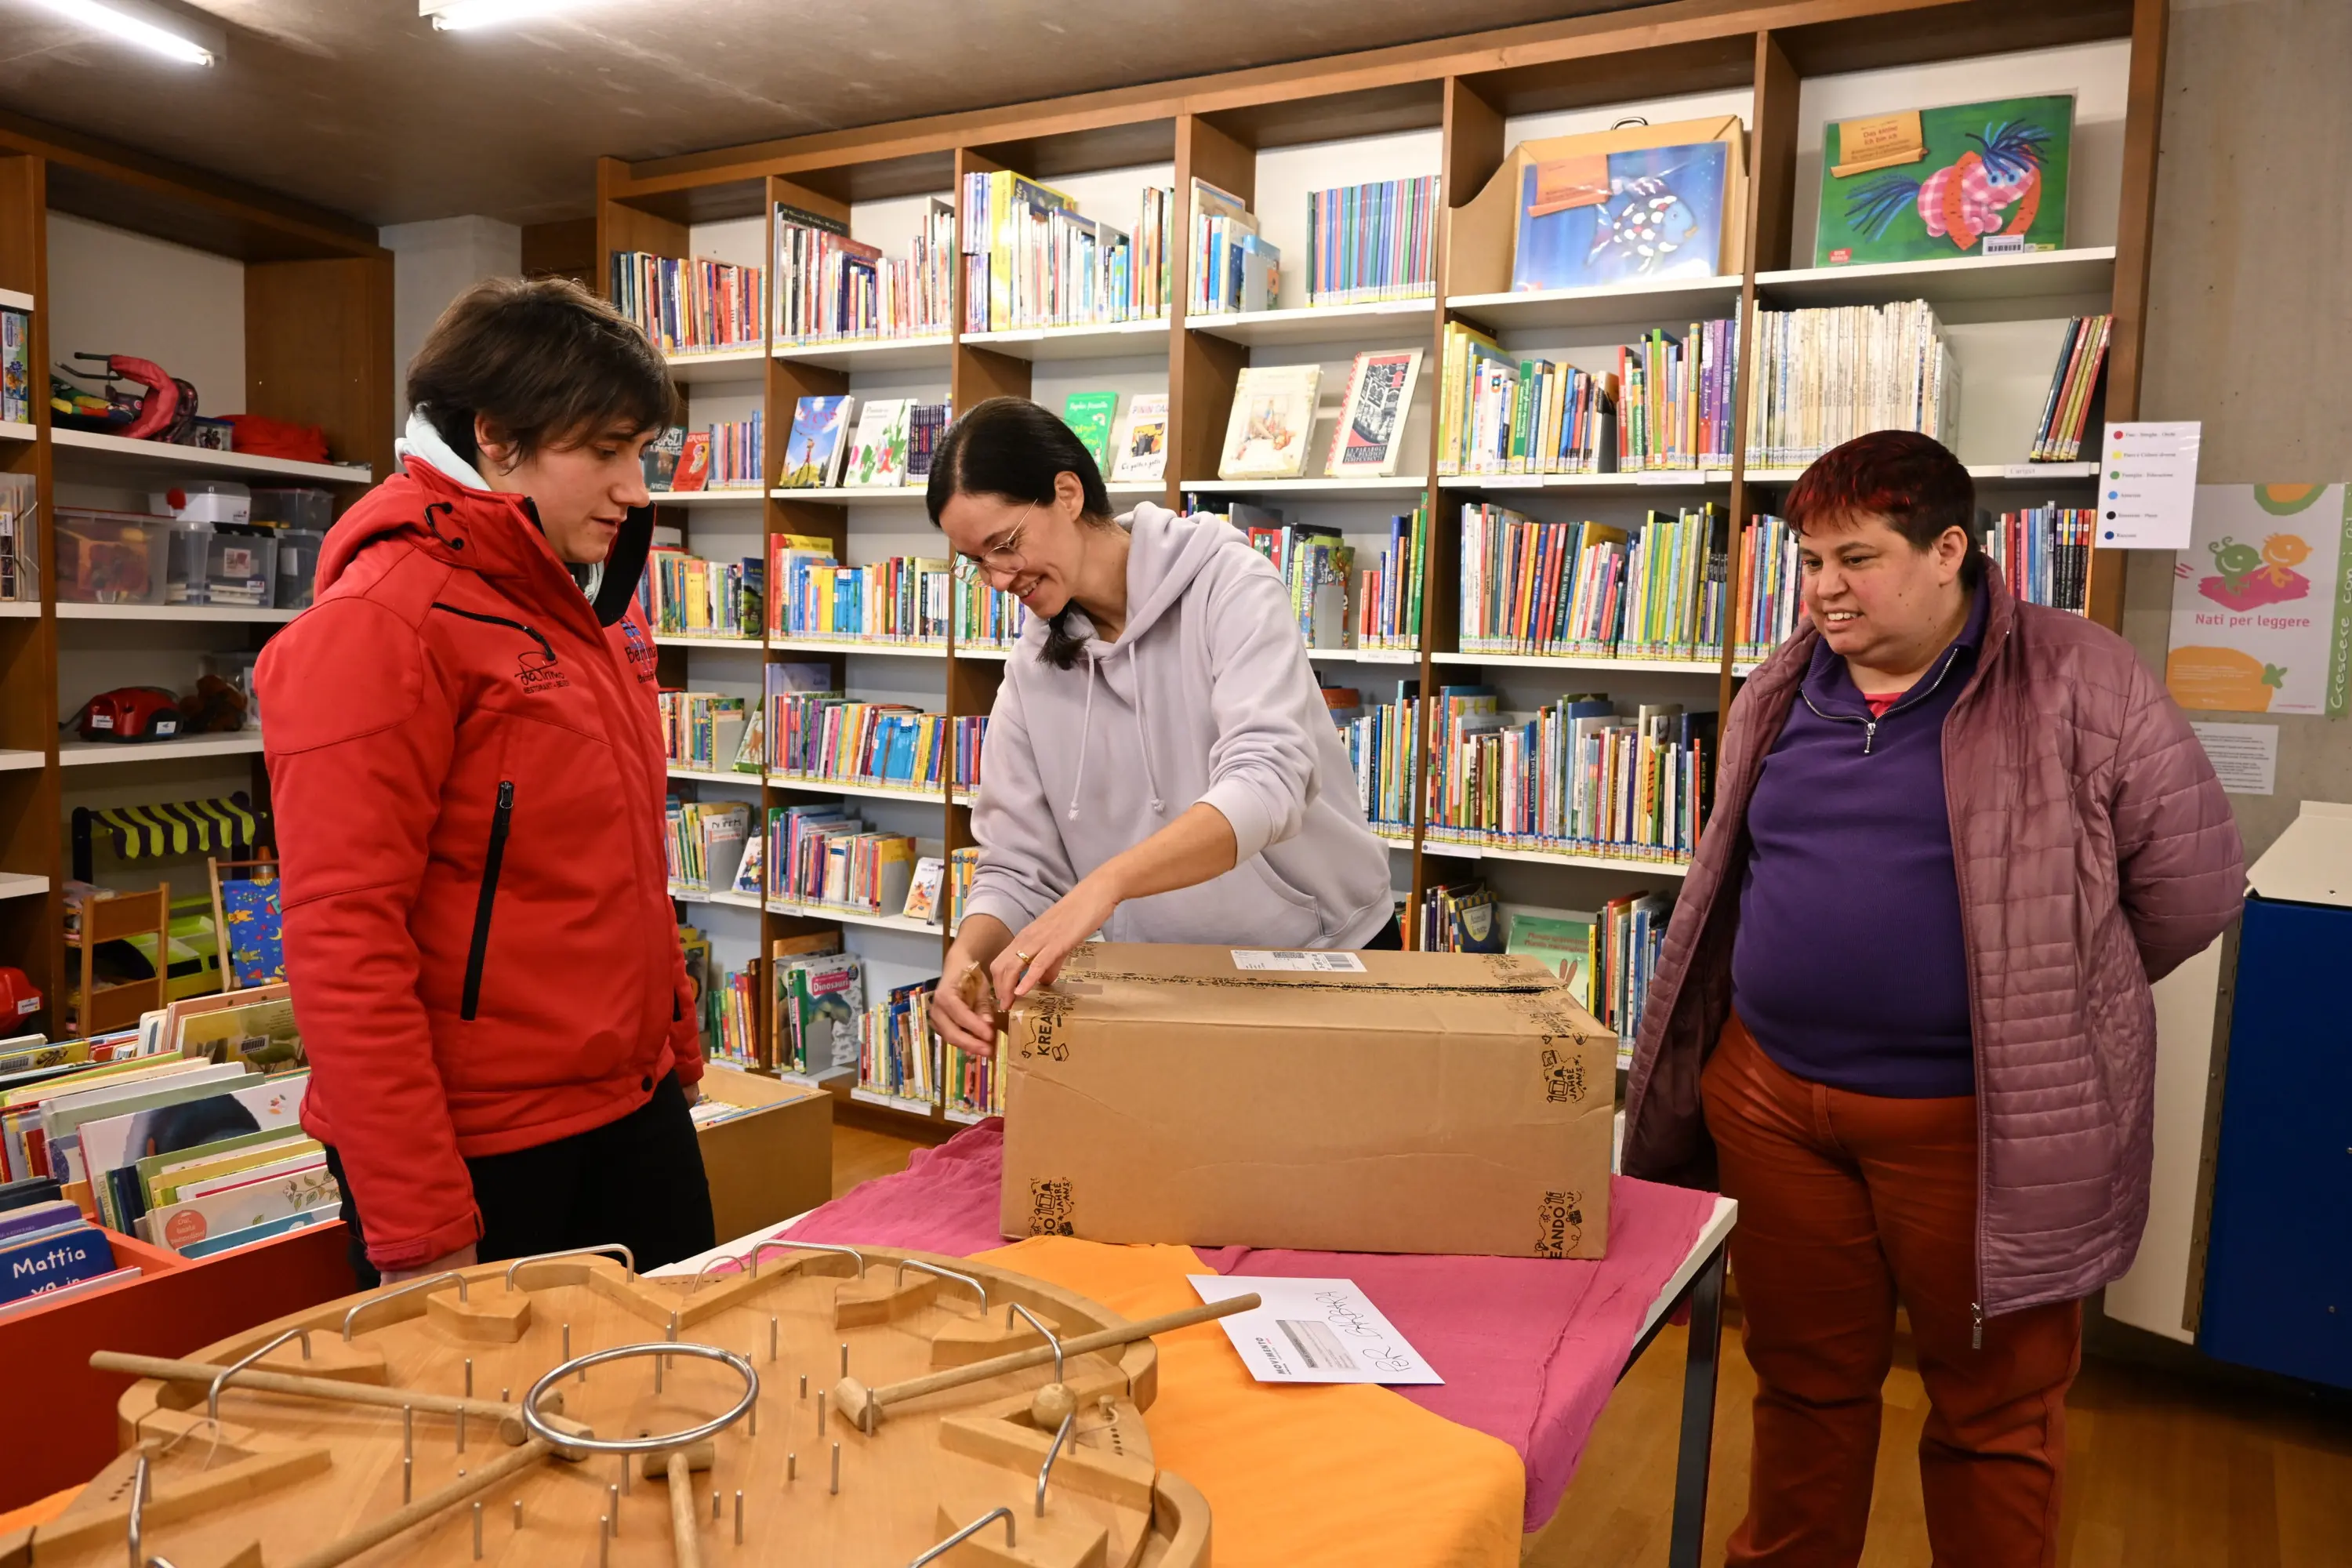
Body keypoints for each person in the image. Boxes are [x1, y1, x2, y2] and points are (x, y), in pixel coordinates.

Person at [1622, 430, 2244, 1566]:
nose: (1822, 589)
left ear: (1950, 548)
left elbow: (2194, 887)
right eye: (1809, 560)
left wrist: (2042, 1000)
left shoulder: (2081, 676)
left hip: (1977, 1126)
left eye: (1855, 559)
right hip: (1774, 1105)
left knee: (1994, 1413)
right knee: (1803, 1383)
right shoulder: (1784, 681)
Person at [257, 278, 716, 1288]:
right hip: (483, 1148)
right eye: (604, 451)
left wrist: (674, 1036)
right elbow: (343, 938)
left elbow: (620, 854)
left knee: (679, 1403)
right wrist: (419, 1217)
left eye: (641, 451)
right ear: (495, 438)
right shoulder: (384, 624)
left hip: (630, 1103)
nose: (635, 488)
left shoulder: (591, 598)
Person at [924, 396, 1396, 1056]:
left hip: (1322, 963)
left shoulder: (1228, 583)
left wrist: (1107, 885)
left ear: (1066, 493)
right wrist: (966, 956)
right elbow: (1018, 864)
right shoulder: (1033, 666)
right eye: (975, 561)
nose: (999, 577)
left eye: (1004, 545)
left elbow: (1268, 781)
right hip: (1164, 986)